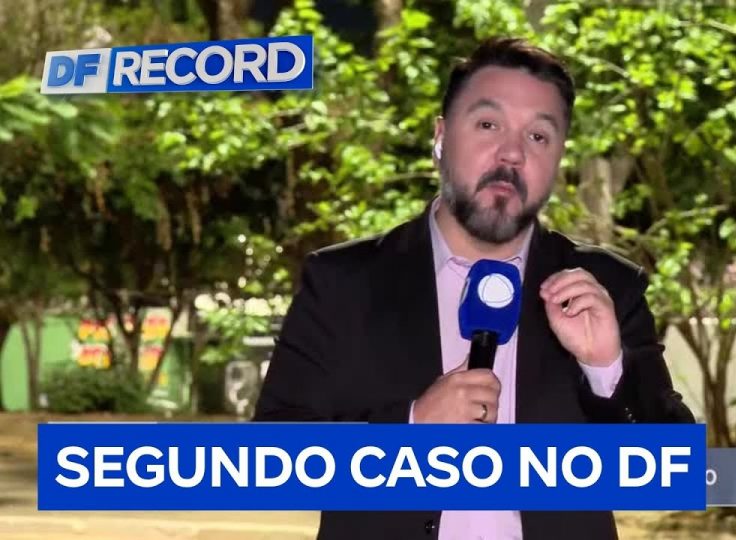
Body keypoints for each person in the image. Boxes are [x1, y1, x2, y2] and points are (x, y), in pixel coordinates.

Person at [253, 37, 695, 540]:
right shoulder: (343, 282)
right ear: (441, 136)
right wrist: (409, 430)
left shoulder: (606, 287)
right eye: (488, 124)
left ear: (559, 160)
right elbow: (268, 463)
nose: (512, 153)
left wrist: (605, 369)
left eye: (539, 136)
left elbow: (679, 476)